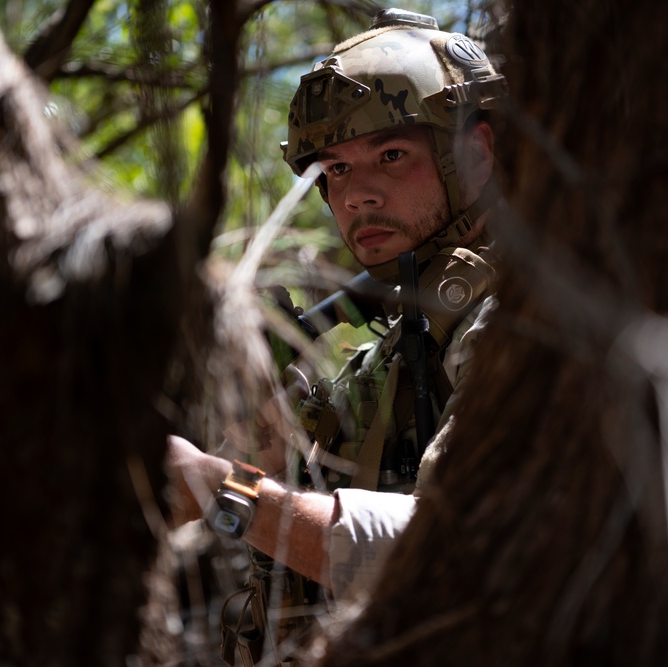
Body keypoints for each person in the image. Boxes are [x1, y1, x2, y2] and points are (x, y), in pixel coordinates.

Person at [168, 6, 506, 659]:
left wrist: (230, 493)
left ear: (477, 154)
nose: (357, 196)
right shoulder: (393, 360)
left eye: (390, 154)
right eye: (337, 171)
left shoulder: (523, 329)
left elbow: (448, 547)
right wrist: (264, 444)